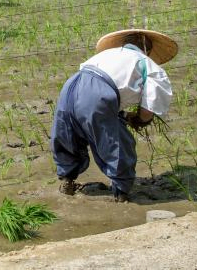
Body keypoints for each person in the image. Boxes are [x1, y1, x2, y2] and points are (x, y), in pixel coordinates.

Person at [51, 29, 175, 202]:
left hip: (71, 86)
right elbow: (147, 112)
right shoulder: (148, 65)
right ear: (146, 49)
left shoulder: (107, 54)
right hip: (98, 93)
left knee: (68, 134)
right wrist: (137, 120)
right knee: (116, 141)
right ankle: (121, 194)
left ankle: (67, 181)